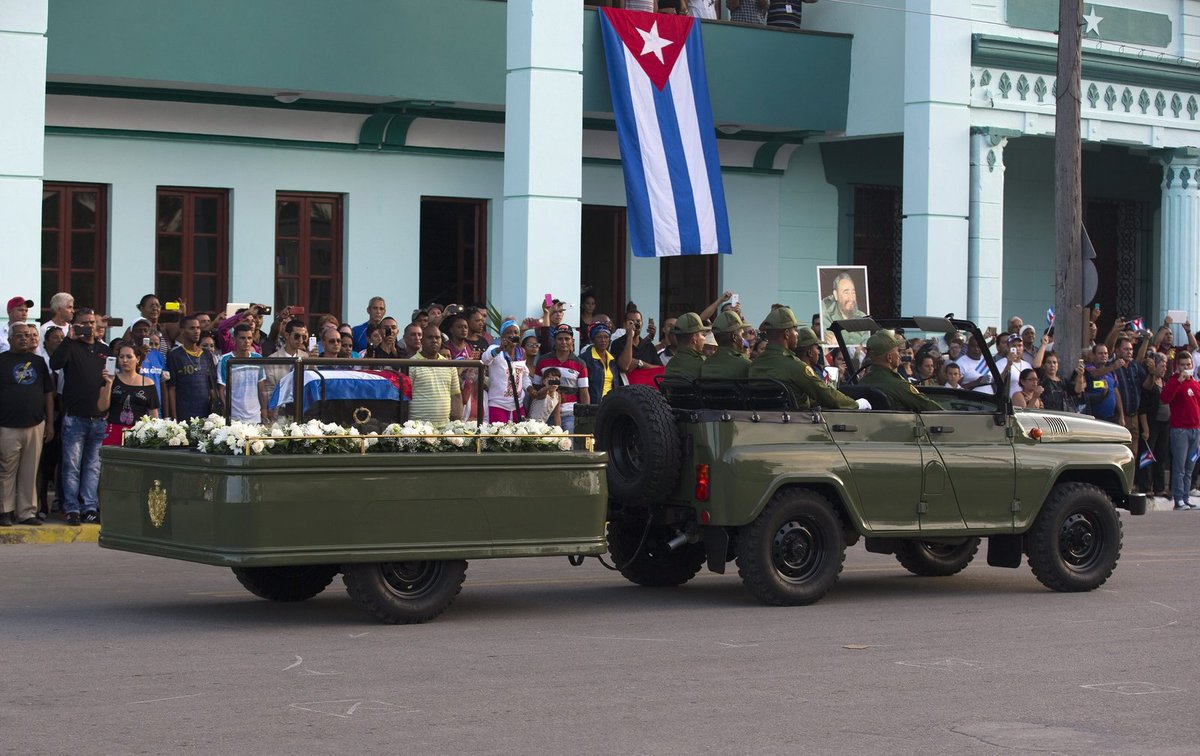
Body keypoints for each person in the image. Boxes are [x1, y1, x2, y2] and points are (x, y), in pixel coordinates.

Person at [49, 309, 110, 525]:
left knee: (93, 467)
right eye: (83, 323)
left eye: (91, 322)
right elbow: (55, 364)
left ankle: (89, 507)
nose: (88, 327)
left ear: (96, 324)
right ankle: (72, 508)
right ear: (75, 325)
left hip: (98, 419)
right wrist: (68, 339)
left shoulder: (105, 349)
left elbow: (110, 380)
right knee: (71, 466)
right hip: (74, 418)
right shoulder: (71, 346)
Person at [749, 308, 865, 410]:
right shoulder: (795, 366)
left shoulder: (755, 365)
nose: (797, 334)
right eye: (795, 330)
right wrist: (857, 404)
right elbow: (825, 394)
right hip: (797, 424)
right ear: (787, 334)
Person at [0, 323, 55, 527]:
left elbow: (48, 393)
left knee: (30, 471)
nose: (24, 338)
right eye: (19, 335)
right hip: (7, 426)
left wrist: (49, 423)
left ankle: (26, 512)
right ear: (10, 338)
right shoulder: (2, 361)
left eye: (27, 335)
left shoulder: (39, 362)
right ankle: (5, 511)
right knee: (6, 469)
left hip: (35, 424)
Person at [858, 329, 943, 412]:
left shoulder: (862, 382)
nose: (899, 355)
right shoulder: (897, 385)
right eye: (898, 351)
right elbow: (929, 407)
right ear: (889, 357)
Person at [1160, 351, 1200, 510]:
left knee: (1190, 466)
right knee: (1179, 466)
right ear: (1177, 366)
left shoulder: (1195, 384)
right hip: (1180, 430)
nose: (1185, 368)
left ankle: (1185, 497)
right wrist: (1178, 381)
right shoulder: (1173, 381)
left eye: (1188, 365)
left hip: (1195, 430)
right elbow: (1164, 398)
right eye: (1182, 365)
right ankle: (1178, 499)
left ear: (1192, 365)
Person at [99, 342, 159, 445]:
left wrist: (154, 437)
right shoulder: (111, 379)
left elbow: (153, 414)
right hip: (113, 431)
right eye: (121, 357)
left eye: (129, 357)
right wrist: (109, 383)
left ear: (138, 359)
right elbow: (102, 407)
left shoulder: (148, 383)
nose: (125, 360)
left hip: (139, 434)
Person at [533, 325, 589, 433]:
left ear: (572, 341)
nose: (563, 342)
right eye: (560, 339)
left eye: (567, 339)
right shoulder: (542, 360)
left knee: (569, 445)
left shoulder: (580, 363)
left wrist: (585, 416)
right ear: (554, 341)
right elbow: (536, 387)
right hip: (545, 413)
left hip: (570, 414)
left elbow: (584, 391)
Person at [165, 315, 218, 421]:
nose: (196, 331)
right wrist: (174, 419)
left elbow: (212, 386)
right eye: (192, 328)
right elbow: (171, 388)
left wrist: (215, 412)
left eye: (198, 328)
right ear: (182, 330)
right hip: (184, 413)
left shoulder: (207, 355)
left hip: (205, 413)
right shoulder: (175, 355)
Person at [408, 324, 462, 425]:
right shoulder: (411, 364)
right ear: (422, 340)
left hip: (444, 428)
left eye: (437, 337)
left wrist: (456, 424)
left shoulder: (449, 365)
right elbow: (405, 398)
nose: (434, 340)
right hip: (417, 428)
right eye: (430, 337)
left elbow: (456, 395)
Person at [218, 323, 269, 424]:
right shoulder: (225, 359)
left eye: (249, 338)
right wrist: (226, 413)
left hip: (255, 417)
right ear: (234, 339)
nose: (247, 341)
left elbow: (262, 388)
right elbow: (222, 390)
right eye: (242, 338)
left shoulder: (257, 358)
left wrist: (264, 411)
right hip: (234, 417)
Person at [481, 320, 530, 423]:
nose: (512, 335)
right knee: (499, 437)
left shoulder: (521, 352)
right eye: (509, 332)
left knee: (520, 437)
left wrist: (530, 388)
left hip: (518, 405)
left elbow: (524, 375)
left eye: (516, 332)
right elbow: (484, 359)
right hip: (498, 405)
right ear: (502, 335)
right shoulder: (494, 348)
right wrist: (500, 348)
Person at [263, 318, 313, 415]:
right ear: (286, 335)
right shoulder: (272, 359)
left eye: (303, 337)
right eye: (297, 336)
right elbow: (269, 390)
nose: (300, 340)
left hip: (302, 410)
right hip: (279, 411)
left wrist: (313, 362)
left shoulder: (306, 357)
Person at [1137, 352, 1169, 498]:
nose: (1164, 369)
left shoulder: (1166, 382)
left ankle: (1159, 487)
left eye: (1165, 366)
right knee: (1147, 455)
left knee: (1160, 456)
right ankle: (1145, 485)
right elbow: (1143, 408)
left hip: (1165, 424)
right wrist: (1146, 428)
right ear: (1154, 366)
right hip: (1152, 423)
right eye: (1161, 366)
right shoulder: (1149, 382)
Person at [702, 310, 751, 379]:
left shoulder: (705, 364)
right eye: (742, 335)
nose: (743, 339)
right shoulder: (745, 365)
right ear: (734, 337)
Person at [1081, 343, 1123, 425]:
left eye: (1106, 353)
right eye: (1100, 353)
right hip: (1094, 418)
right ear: (1093, 355)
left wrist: (1121, 415)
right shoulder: (1088, 367)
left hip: (1111, 417)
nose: (1104, 355)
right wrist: (1113, 366)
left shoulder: (1112, 373)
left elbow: (1116, 394)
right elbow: (1095, 373)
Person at [821, 272, 867, 345]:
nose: (851, 297)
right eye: (846, 293)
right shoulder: (827, 316)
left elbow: (866, 344)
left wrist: (840, 341)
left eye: (853, 292)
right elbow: (830, 341)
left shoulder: (863, 318)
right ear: (836, 295)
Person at [580, 321, 620, 405]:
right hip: (594, 406)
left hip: (611, 405)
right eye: (599, 337)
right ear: (593, 339)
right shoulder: (585, 359)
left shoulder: (613, 360)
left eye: (606, 337)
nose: (603, 340)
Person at [663, 313, 709, 380]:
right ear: (694, 338)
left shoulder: (670, 364)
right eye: (702, 334)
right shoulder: (703, 365)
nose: (704, 338)